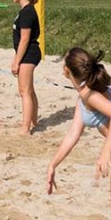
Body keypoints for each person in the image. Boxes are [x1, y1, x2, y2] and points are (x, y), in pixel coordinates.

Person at [47, 48, 111, 194]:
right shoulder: (84, 94)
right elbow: (73, 134)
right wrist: (53, 165)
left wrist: (105, 153)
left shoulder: (90, 95)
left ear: (66, 70)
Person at [10, 0, 40, 134]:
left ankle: (25, 128)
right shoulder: (25, 11)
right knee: (29, 90)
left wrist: (16, 62)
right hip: (28, 53)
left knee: (24, 91)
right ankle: (34, 122)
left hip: (29, 53)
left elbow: (25, 39)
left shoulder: (28, 12)